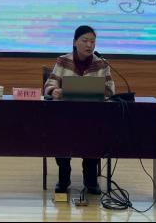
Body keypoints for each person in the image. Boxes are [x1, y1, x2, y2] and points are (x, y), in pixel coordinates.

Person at [43, 25, 115, 194]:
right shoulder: (63, 61)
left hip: (92, 116)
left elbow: (110, 90)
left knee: (95, 135)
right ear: (75, 42)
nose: (89, 45)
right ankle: (64, 176)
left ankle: (90, 179)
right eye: (85, 40)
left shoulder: (102, 63)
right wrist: (54, 91)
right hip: (65, 115)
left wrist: (98, 92)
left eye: (92, 41)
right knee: (60, 134)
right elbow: (49, 85)